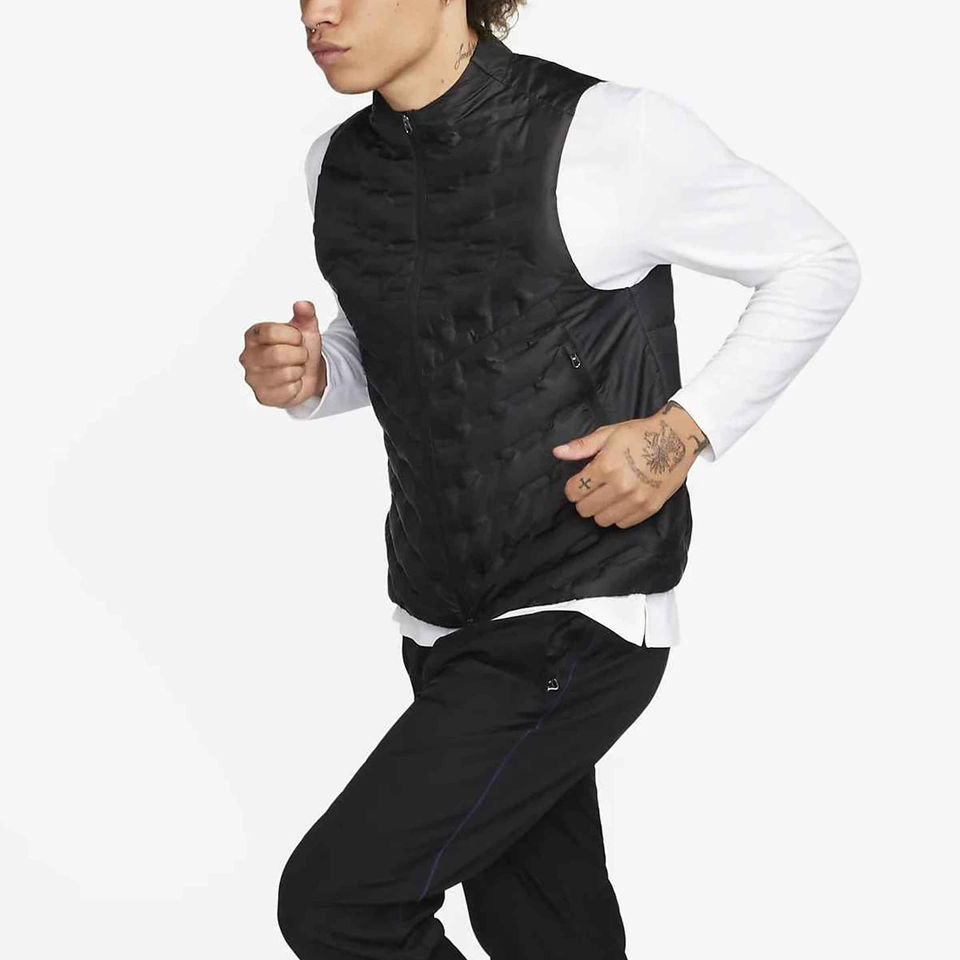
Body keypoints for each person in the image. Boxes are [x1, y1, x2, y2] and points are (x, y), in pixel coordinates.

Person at [238, 2, 861, 957]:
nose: (318, 11)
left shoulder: (611, 131)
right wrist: (319, 373)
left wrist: (681, 432)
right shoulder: (339, 163)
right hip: (439, 615)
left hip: (576, 611)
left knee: (339, 903)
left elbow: (816, 261)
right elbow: (409, 338)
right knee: (549, 934)